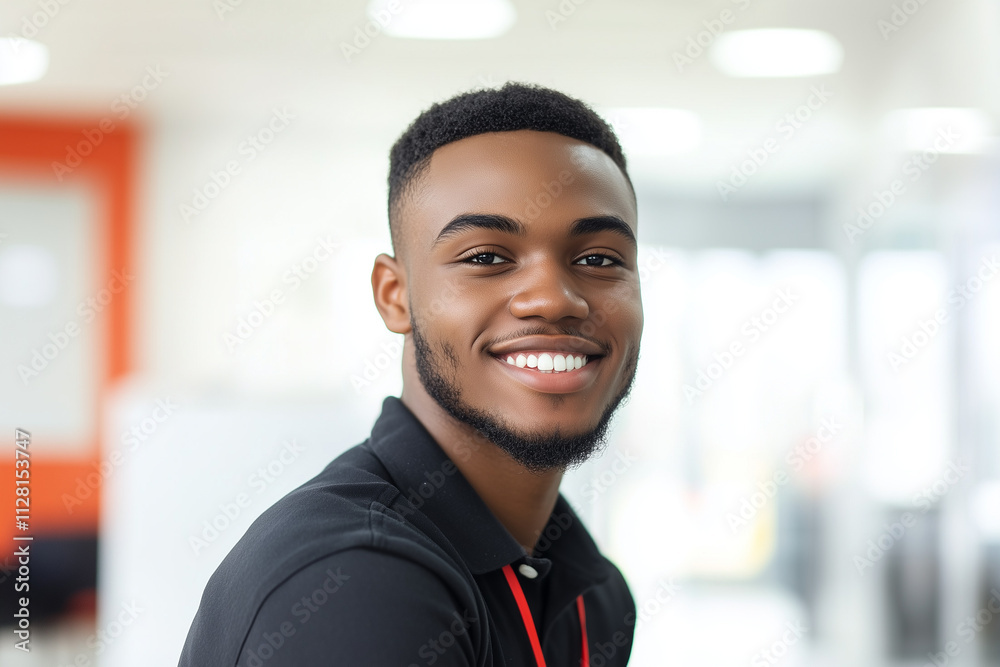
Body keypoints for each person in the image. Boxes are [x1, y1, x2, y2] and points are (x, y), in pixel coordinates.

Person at [178, 81, 643, 667]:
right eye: (486, 258)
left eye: (598, 259)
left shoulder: (593, 594)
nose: (552, 298)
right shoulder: (359, 583)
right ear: (395, 296)